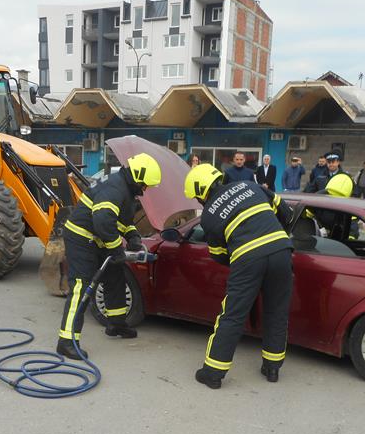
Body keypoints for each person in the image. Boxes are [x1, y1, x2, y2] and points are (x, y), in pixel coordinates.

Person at [183, 163, 294, 389]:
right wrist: (275, 236)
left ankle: (213, 373)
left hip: (248, 260)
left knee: (232, 316)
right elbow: (286, 211)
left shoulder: (208, 217)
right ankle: (272, 368)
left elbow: (218, 255)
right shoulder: (250, 186)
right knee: (277, 311)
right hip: (282, 252)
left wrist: (242, 259)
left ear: (201, 193)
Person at [56, 153, 161, 359]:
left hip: (97, 238)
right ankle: (66, 341)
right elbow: (103, 220)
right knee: (81, 287)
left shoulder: (125, 188)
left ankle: (116, 324)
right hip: (81, 238)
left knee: (115, 276)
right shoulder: (115, 188)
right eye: (145, 185)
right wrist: (116, 249)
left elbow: (120, 219)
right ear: (137, 177)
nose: (145, 189)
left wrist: (132, 236)